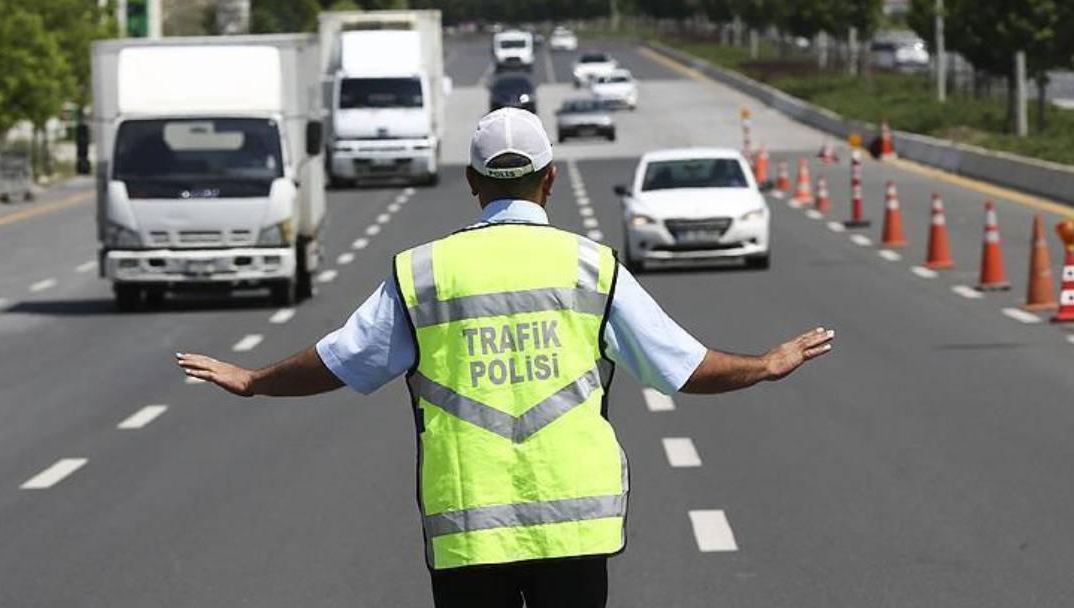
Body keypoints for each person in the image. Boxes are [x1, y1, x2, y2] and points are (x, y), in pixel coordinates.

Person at [177, 108, 835, 607]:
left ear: (472, 182)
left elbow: (342, 360)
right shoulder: (590, 267)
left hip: (468, 525)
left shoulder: (424, 273)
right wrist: (765, 365)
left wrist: (254, 380)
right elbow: (681, 368)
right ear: (550, 179)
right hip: (576, 526)